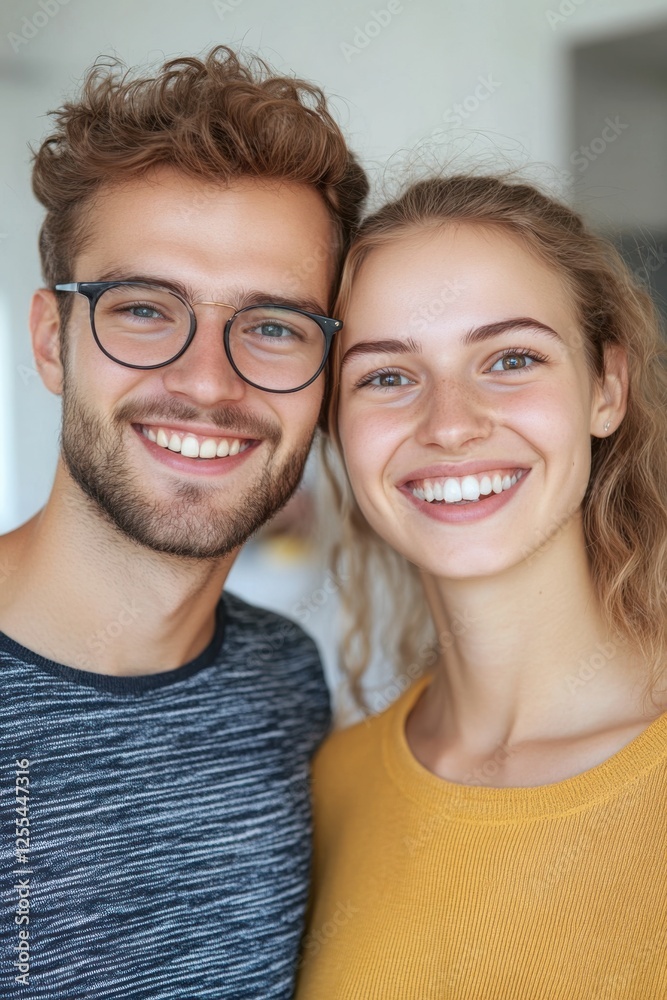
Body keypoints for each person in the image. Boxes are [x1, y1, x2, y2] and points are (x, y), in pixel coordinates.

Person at [0, 46, 367, 998]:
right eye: (144, 309)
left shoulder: (285, 678)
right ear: (53, 341)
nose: (207, 381)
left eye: (274, 325)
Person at [296, 174, 667, 997]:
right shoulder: (327, 790)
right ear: (333, 428)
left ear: (606, 387)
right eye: (386, 377)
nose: (450, 422)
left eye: (510, 359)